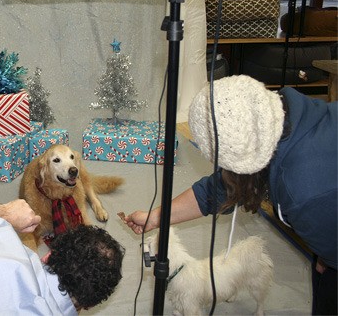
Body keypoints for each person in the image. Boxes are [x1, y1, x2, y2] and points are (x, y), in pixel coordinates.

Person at [121, 74, 337, 315]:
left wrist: (327, 253)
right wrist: (156, 217)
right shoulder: (285, 117)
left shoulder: (304, 192)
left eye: (221, 162)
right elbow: (220, 189)